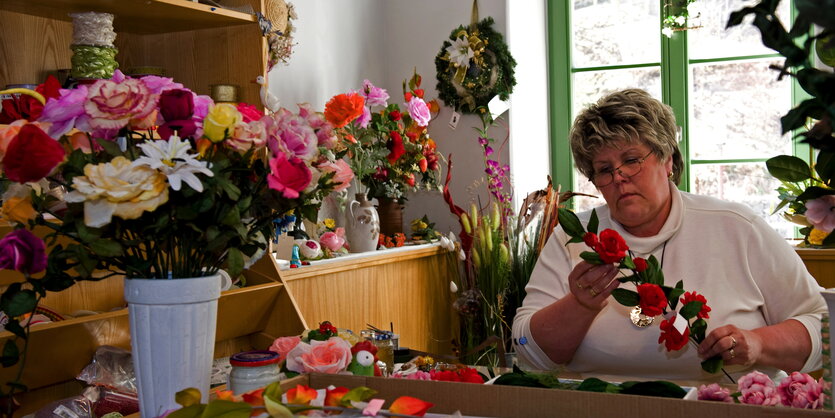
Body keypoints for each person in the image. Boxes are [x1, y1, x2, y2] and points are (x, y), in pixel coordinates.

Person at [511, 89, 826, 381]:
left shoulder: (737, 227)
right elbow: (527, 350)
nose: (619, 176)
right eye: (604, 170)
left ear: (668, 161)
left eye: (631, 160)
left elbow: (822, 329)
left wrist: (758, 343)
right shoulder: (573, 239)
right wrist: (579, 306)